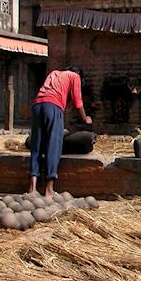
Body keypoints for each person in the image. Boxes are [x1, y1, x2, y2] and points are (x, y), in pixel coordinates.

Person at [29, 66, 92, 196]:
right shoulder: (75, 76)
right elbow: (77, 102)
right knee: (54, 145)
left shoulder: (54, 73)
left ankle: (32, 187)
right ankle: (49, 189)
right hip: (52, 106)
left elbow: (52, 92)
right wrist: (86, 119)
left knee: (37, 145)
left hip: (37, 105)